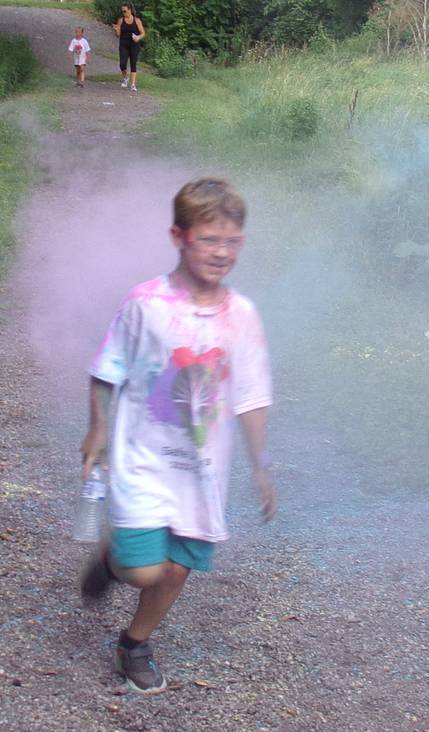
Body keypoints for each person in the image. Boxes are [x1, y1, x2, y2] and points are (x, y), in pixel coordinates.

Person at [79, 177, 278, 693]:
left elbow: (252, 396)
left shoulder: (243, 316)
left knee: (176, 572)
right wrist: (98, 430)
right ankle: (114, 557)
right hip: (143, 461)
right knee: (146, 570)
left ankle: (134, 644)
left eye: (232, 241)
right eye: (209, 239)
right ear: (179, 236)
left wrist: (260, 466)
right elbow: (108, 368)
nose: (221, 252)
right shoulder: (146, 304)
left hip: (200, 473)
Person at [113, 2, 145, 92]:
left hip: (134, 45)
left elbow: (143, 33)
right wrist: (116, 30)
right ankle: (125, 78)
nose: (123, 13)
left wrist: (138, 37)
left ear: (130, 10)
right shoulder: (121, 20)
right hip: (124, 44)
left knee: (133, 63)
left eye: (125, 11)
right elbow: (118, 35)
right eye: (122, 11)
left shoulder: (137, 20)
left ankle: (133, 84)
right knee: (122, 64)